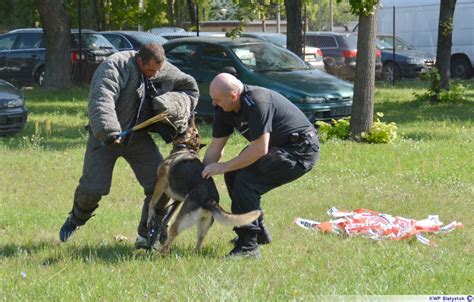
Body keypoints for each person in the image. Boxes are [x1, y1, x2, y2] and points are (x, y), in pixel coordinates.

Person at [59, 43, 199, 249]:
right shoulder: (115, 66)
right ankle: (76, 219)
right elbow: (101, 98)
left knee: (161, 184)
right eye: (150, 70)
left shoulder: (163, 69)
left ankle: (148, 234)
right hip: (106, 138)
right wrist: (108, 130)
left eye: (158, 71)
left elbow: (189, 89)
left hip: (138, 138)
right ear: (139, 60)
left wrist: (170, 104)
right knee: (93, 188)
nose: (154, 75)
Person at [201, 73, 320, 258]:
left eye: (217, 100)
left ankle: (248, 247)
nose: (214, 104)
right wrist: (201, 178)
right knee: (233, 175)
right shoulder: (223, 109)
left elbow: (259, 149)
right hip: (277, 148)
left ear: (233, 96)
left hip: (300, 150)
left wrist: (223, 166)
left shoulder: (258, 103)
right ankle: (259, 233)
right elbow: (216, 147)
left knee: (246, 181)